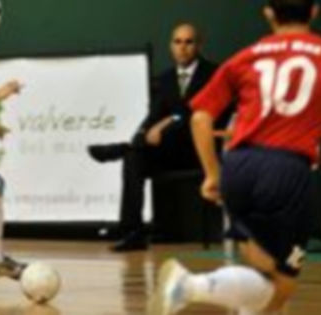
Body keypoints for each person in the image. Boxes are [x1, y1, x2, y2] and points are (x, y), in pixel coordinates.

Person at [149, 1, 321, 314]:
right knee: (281, 282)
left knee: (268, 277)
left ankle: (198, 288)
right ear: (315, 11)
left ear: (268, 13)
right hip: (285, 170)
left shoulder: (247, 56)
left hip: (238, 166)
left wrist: (212, 174)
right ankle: (189, 286)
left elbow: (200, 118)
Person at [88, 23, 230, 252]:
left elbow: (193, 111)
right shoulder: (165, 79)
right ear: (171, 46)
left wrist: (164, 124)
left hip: (199, 150)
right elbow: (154, 115)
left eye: (188, 42)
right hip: (171, 150)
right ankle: (133, 232)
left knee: (145, 143)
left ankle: (120, 149)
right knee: (134, 159)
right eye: (177, 42)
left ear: (199, 45)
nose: (182, 48)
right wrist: (141, 135)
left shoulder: (213, 74)